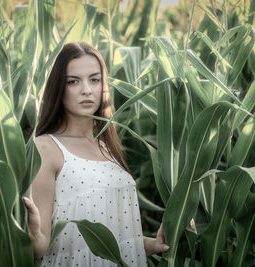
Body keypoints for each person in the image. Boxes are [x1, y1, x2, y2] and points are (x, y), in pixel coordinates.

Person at [22, 42, 169, 266]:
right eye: (73, 81)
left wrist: (150, 244)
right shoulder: (46, 148)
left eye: (94, 79)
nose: (86, 90)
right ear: (58, 87)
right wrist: (32, 234)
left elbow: (110, 235)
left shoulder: (108, 147)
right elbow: (40, 247)